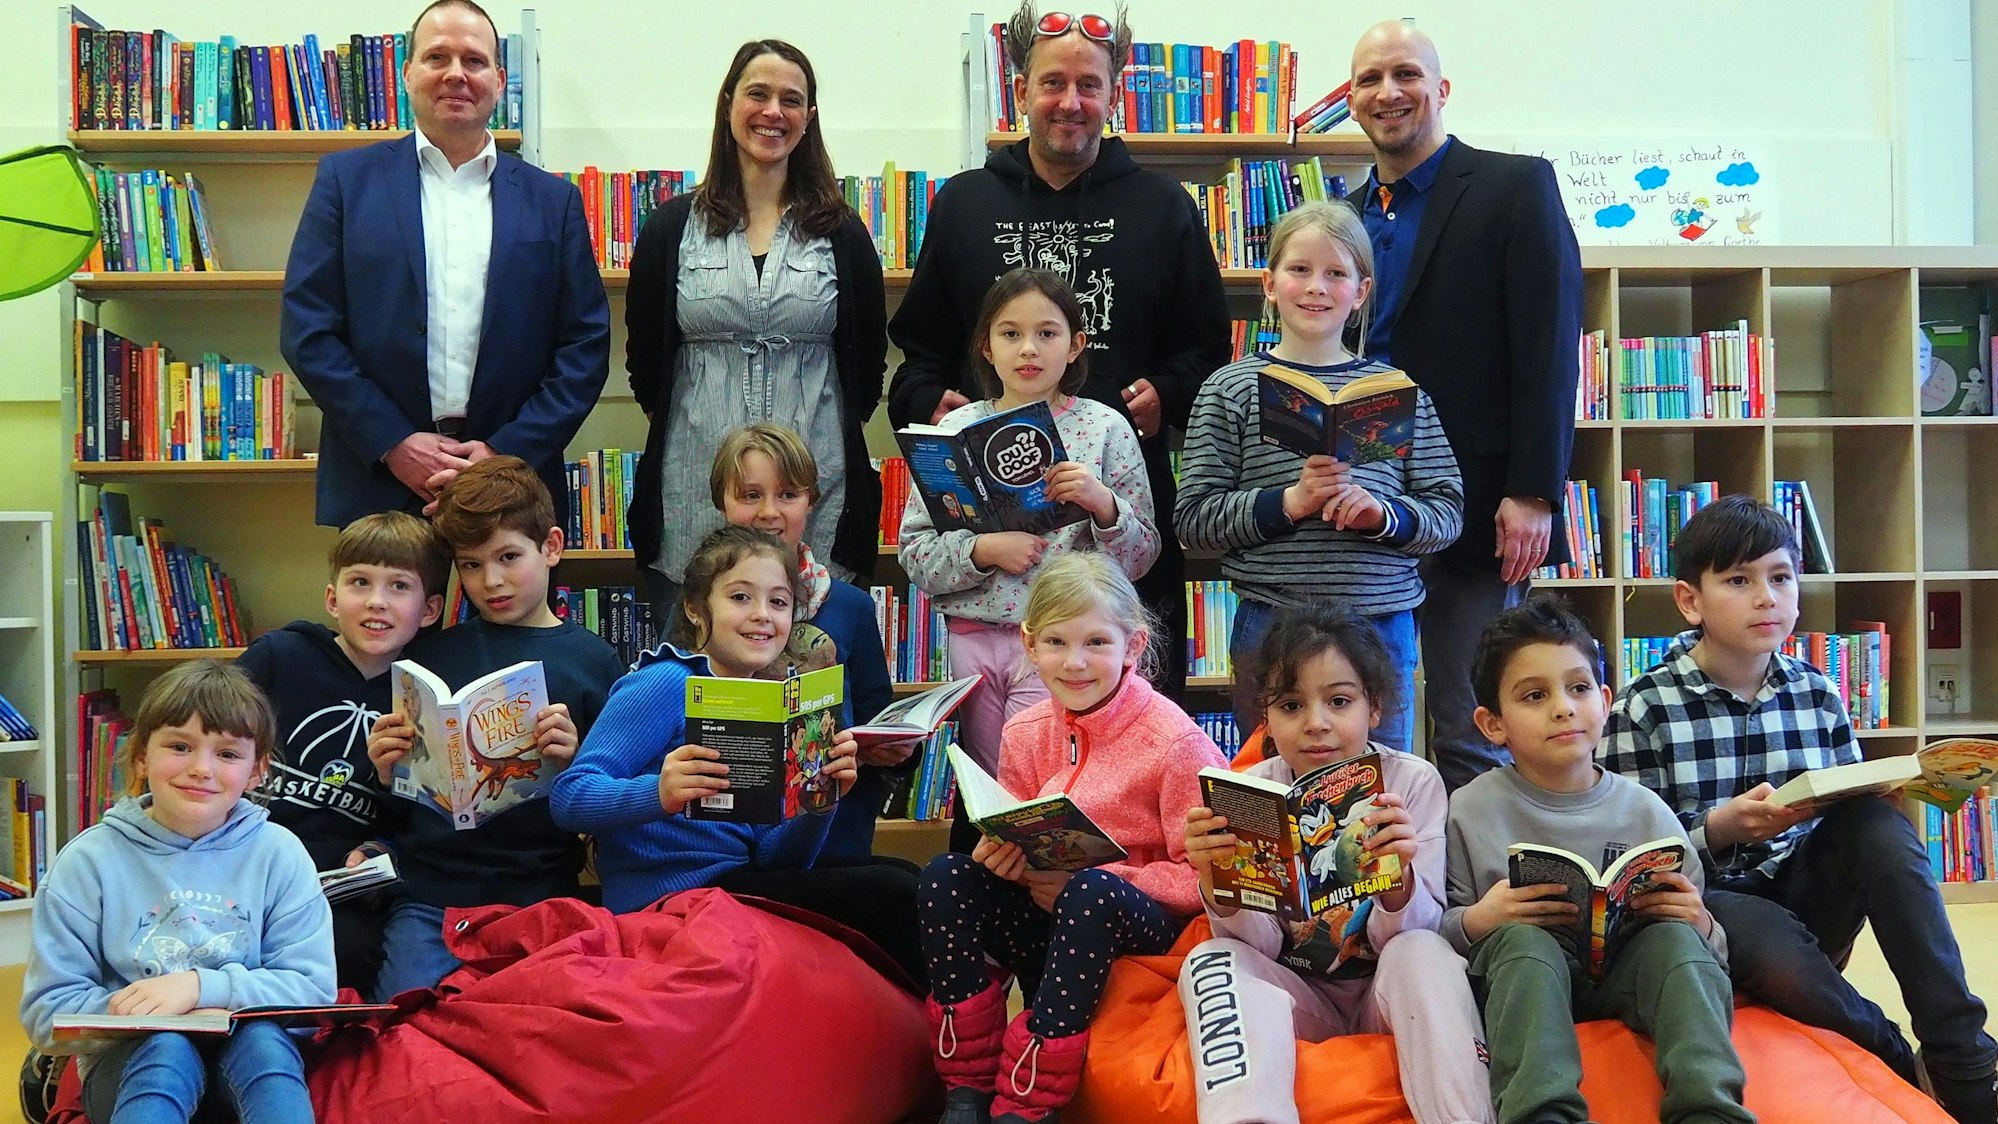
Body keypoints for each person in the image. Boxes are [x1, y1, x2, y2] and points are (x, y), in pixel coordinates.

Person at [1601, 495, 1996, 1123]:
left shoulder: (1817, 692)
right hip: (1707, 907)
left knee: (1877, 825)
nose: (1767, 598)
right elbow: (1628, 859)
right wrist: (1718, 829)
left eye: (1781, 578)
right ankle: (1895, 1056)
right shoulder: (1641, 708)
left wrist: (1890, 794)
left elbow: (1848, 805)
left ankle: (1963, 1058)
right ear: (1690, 601)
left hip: (1804, 890)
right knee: (1764, 935)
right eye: (1739, 581)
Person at [886, 1, 1230, 698]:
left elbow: (1207, 348)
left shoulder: (1164, 205)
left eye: (1088, 85)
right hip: (994, 552)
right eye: (1052, 83)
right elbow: (918, 347)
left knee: (1133, 713)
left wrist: (1168, 393)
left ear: (1113, 94)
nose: (1070, 102)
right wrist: (928, 399)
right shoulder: (964, 203)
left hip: (1115, 505)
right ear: (1021, 91)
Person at [1345, 20, 1581, 788]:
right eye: (1370, 78)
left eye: (1406, 74)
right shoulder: (1346, 214)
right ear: (1352, 99)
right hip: (1364, 505)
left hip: (1478, 508)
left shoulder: (1514, 188)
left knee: (1472, 722)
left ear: (1441, 89)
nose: (1388, 92)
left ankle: (1481, 870)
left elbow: (1550, 346)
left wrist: (1534, 490)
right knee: (1361, 727)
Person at [918, 553, 1227, 1124]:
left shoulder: (1175, 742)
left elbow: (1204, 880)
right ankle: (966, 1085)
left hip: (1140, 937)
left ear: (1133, 646)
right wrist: (1002, 859)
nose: (1075, 662)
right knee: (947, 874)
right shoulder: (1023, 731)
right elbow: (1015, 826)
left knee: (1090, 892)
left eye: (1097, 643)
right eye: (1056, 643)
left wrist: (1096, 878)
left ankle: (1030, 1100)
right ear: (1030, 645)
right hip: (1048, 923)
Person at [549, 525, 927, 989]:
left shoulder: (765, 704)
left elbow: (774, 857)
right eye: (740, 597)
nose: (762, 615)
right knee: (895, 893)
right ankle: (947, 1022)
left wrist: (819, 801)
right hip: (668, 901)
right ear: (695, 607)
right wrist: (659, 793)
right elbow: (570, 798)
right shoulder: (665, 681)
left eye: (779, 602)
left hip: (732, 884)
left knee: (908, 876)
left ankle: (930, 1018)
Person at [281, 0, 611, 529]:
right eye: (437, 57)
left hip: (514, 484)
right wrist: (392, 441)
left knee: (511, 593)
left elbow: (585, 345)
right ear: (407, 73)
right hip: (379, 480)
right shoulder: (346, 182)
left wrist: (505, 454)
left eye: (474, 60)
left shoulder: (554, 201)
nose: (456, 73)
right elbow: (308, 330)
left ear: (499, 80)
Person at [1178, 604, 1492, 1124]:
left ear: (1375, 707)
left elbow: (1422, 933)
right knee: (1210, 958)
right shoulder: (1251, 791)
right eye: (1291, 705)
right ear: (1266, 718)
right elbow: (1258, 948)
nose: (1316, 724)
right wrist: (1219, 883)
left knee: (1423, 951)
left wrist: (1398, 879)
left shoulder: (1412, 783)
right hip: (1296, 996)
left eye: (1339, 701)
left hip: (1386, 993)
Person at [1447, 596, 1750, 1124]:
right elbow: (1440, 929)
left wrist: (1699, 922)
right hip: (1526, 982)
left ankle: (1709, 1109)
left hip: (1630, 972)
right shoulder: (1469, 809)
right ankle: (1543, 1113)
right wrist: (1478, 920)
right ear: (1493, 724)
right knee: (1522, 945)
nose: (1564, 708)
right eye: (1535, 695)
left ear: (1605, 700)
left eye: (1579, 688)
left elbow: (1710, 950)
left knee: (1677, 945)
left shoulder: (1646, 810)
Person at [1175, 201, 1462, 752]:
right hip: (1272, 620)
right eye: (1299, 269)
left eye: (1336, 273)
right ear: (1269, 283)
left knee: (1379, 777)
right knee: (1273, 778)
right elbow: (1194, 520)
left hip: (1381, 621)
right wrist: (1290, 502)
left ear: (1361, 292)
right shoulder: (1230, 388)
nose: (1316, 287)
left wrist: (1383, 516)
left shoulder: (1398, 392)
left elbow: (1447, 510)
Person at [898, 268, 1157, 853]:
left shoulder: (1103, 428)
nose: (1029, 349)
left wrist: (1102, 504)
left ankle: (1050, 892)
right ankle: (998, 893)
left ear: (1076, 344)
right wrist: (982, 550)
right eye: (1010, 334)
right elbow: (915, 552)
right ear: (986, 347)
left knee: (1043, 785)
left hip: (1060, 642)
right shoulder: (955, 429)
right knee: (987, 788)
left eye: (1047, 333)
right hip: (973, 638)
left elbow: (1142, 557)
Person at [624, 38, 887, 610]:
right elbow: (645, 365)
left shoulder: (843, 233)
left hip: (819, 497)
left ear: (809, 117)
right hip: (691, 494)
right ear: (728, 105)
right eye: (757, 94)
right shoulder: (671, 228)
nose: (773, 112)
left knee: (816, 657)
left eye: (790, 100)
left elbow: (867, 368)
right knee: (697, 657)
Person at [21, 661, 335, 1124]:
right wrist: (144, 1011)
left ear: (258, 771)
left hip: (247, 1068)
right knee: (166, 1049)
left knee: (265, 1045)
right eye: (179, 746)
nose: (201, 769)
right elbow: (47, 1012)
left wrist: (199, 988)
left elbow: (313, 990)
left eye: (227, 753)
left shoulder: (280, 853)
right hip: (132, 1071)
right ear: (141, 756)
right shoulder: (87, 862)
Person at [363, 456, 625, 1000]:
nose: (492, 581)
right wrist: (388, 772)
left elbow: (613, 804)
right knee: (406, 1016)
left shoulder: (593, 661)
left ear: (551, 546)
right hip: (432, 895)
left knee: (539, 1020)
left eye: (508, 557)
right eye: (471, 565)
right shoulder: (429, 657)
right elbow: (397, 810)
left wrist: (575, 762)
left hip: (540, 893)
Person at [237, 510, 450, 995]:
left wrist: (385, 807)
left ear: (430, 610)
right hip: (246, 860)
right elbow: (215, 726)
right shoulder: (280, 656)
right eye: (360, 582)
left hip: (337, 885)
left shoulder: (424, 696)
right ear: (333, 599)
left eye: (400, 587)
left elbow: (411, 825)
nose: (377, 601)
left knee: (352, 956)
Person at [706, 423, 910, 857]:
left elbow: (877, 719)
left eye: (787, 494)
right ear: (721, 503)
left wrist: (892, 749)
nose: (769, 512)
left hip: (832, 836)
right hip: (725, 838)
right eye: (750, 495)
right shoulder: (699, 603)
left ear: (810, 502)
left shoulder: (851, 607)